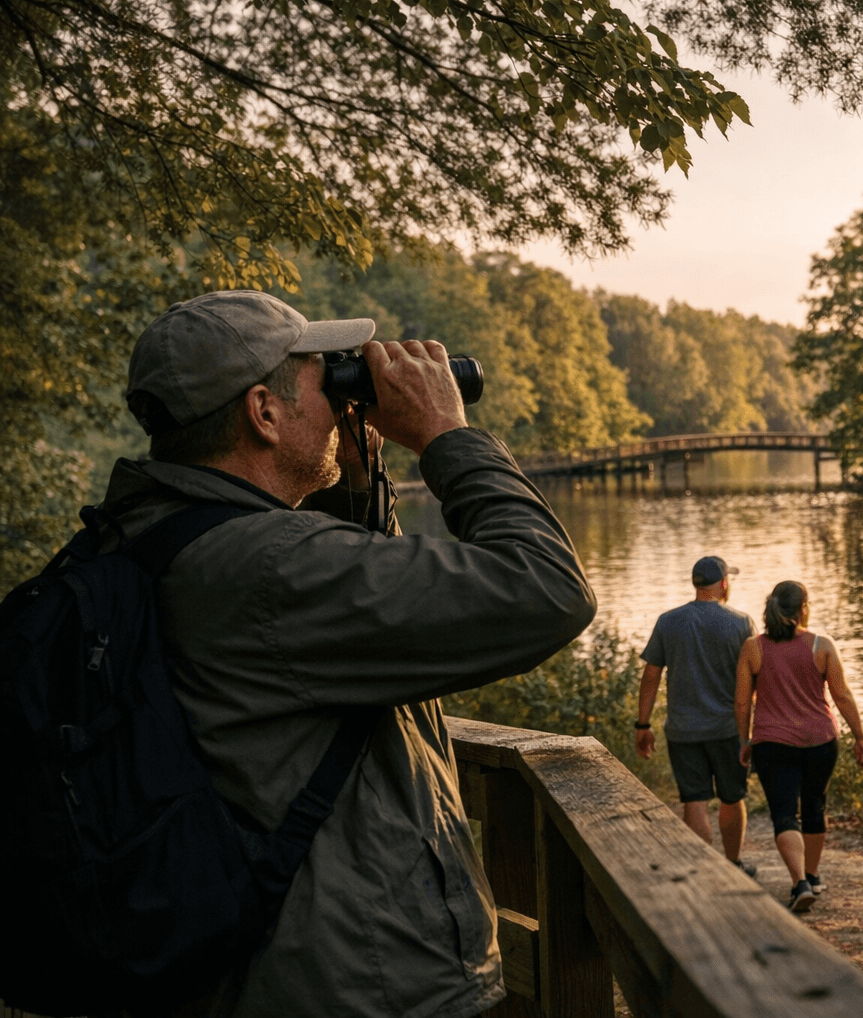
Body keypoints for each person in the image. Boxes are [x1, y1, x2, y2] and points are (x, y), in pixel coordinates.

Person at [106, 289, 596, 1016]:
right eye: (323, 377)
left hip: (260, 971)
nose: (342, 397)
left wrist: (356, 479)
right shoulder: (272, 565)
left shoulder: (154, 536)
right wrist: (446, 436)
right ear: (264, 412)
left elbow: (352, 639)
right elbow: (547, 589)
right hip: (358, 985)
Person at [735, 581, 863, 913]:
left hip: (772, 744)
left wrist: (744, 740)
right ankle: (811, 875)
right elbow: (842, 695)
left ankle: (800, 883)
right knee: (814, 806)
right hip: (820, 742)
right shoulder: (822, 645)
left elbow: (742, 702)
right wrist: (860, 736)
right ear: (803, 609)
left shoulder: (753, 648)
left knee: (784, 814)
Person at [636, 556, 758, 877]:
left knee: (694, 801)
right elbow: (756, 680)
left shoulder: (668, 621)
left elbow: (651, 675)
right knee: (732, 798)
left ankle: (704, 873)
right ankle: (733, 866)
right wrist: (754, 730)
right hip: (729, 730)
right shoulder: (742, 623)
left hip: (683, 731)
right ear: (724, 584)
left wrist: (643, 724)